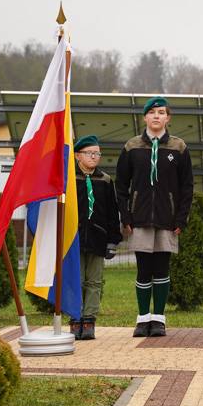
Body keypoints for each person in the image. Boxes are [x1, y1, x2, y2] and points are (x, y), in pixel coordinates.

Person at [115, 96, 194, 337]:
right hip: (139, 219)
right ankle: (142, 319)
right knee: (143, 270)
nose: (156, 116)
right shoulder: (131, 147)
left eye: (161, 112)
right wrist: (126, 216)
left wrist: (181, 218)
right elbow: (121, 185)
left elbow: (187, 186)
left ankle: (158, 319)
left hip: (167, 220)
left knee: (161, 269)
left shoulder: (179, 148)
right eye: (152, 112)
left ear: (168, 118)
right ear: (145, 118)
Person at [72, 135, 123, 340]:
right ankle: (75, 318)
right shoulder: (69, 179)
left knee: (94, 280)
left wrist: (113, 240)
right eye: (89, 153)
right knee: (76, 279)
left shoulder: (105, 180)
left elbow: (112, 212)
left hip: (98, 237)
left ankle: (89, 320)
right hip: (74, 238)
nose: (94, 157)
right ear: (78, 155)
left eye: (97, 153)